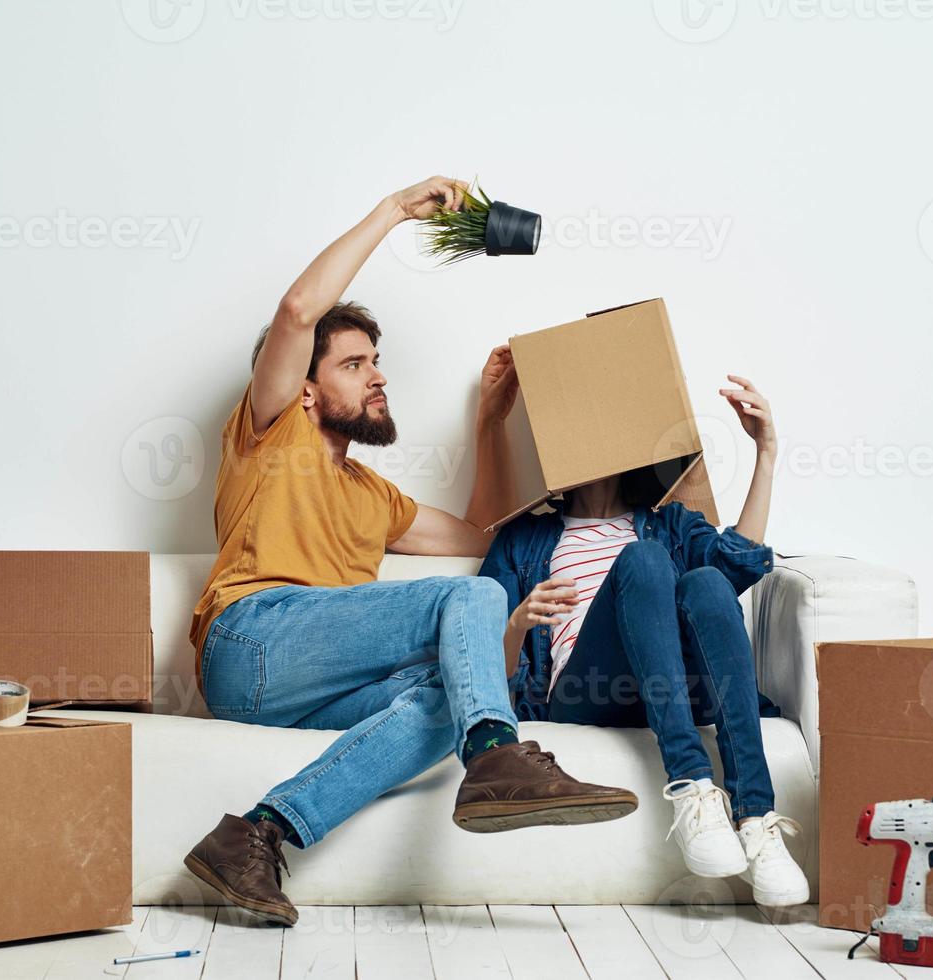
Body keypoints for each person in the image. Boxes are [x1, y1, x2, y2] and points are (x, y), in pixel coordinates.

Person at [184, 177, 637, 927]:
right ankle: (496, 753)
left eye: (375, 360)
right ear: (301, 389)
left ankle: (258, 834)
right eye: (354, 364)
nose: (378, 375)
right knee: (475, 611)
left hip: (303, 689)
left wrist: (490, 421)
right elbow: (299, 311)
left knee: (448, 697)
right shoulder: (269, 433)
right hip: (249, 639)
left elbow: (481, 540)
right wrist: (394, 211)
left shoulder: (373, 497)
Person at [478, 375, 810, 907]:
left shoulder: (669, 522)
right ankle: (691, 787)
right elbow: (483, 666)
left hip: (678, 686)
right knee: (644, 561)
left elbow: (737, 566)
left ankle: (755, 817)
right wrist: (517, 623)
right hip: (586, 690)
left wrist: (766, 454)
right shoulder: (523, 539)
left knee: (704, 580)